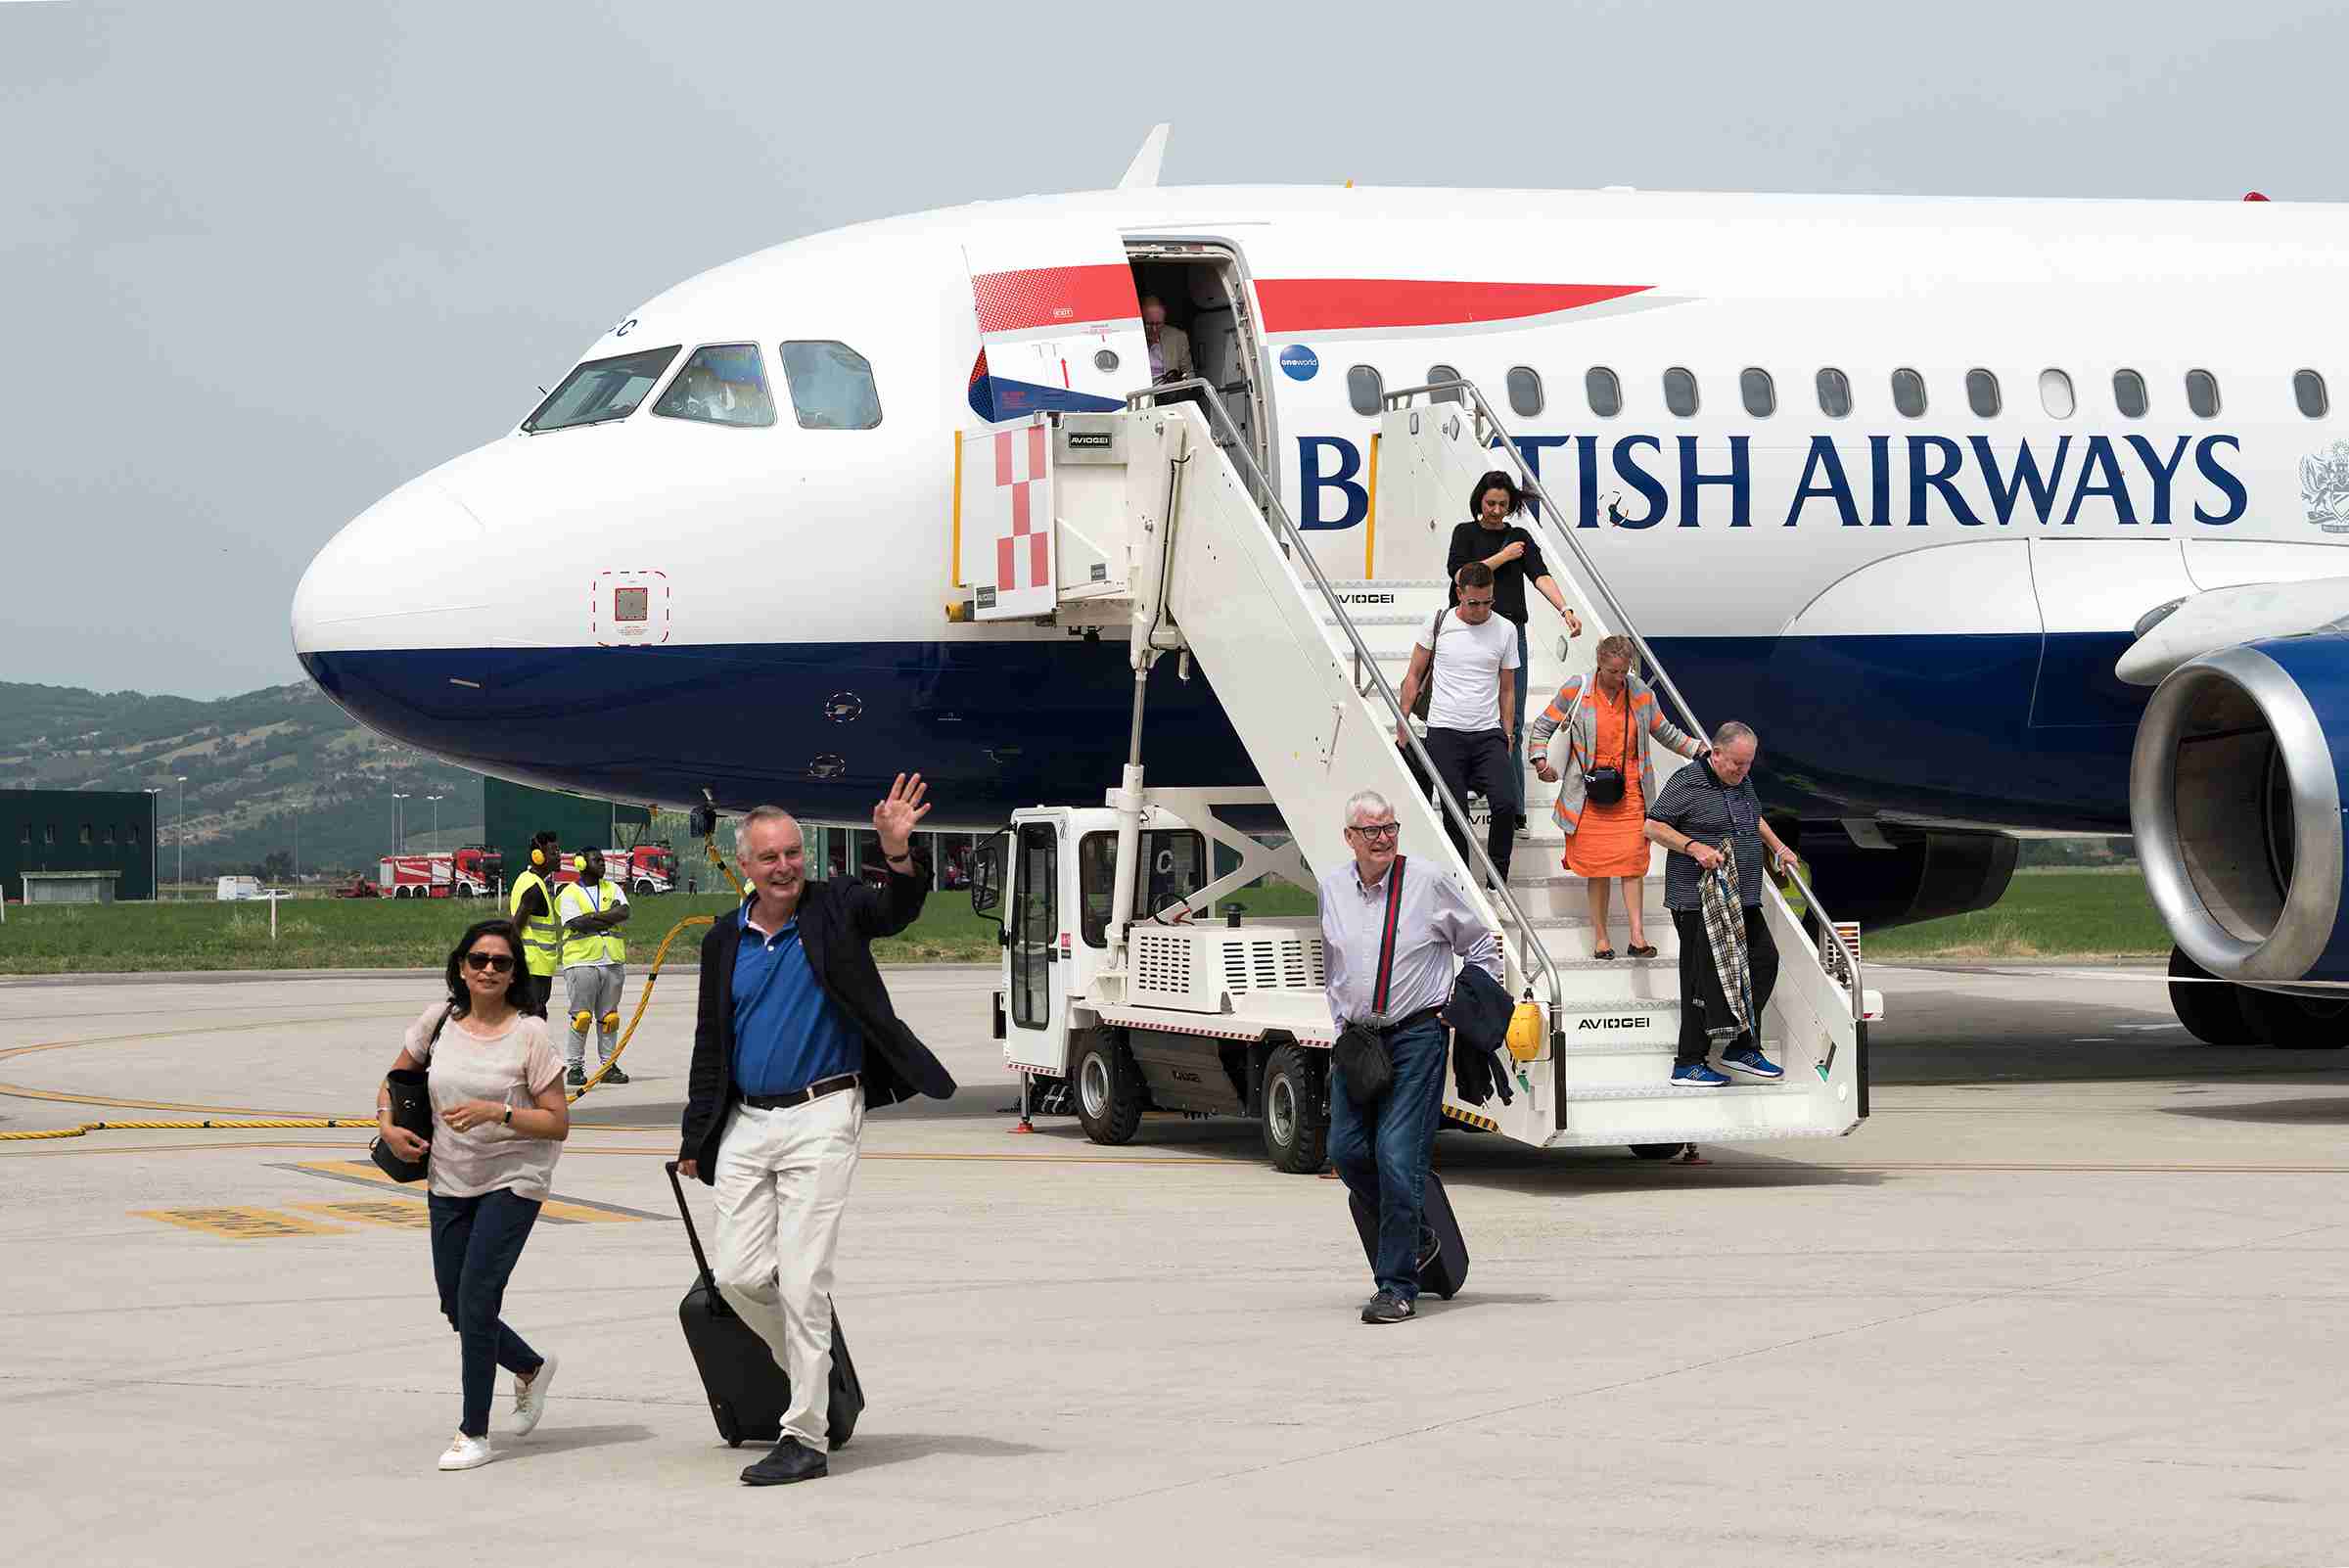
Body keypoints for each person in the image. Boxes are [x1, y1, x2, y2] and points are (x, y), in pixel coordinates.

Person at [676, 774, 958, 1487]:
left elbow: (896, 908)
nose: (784, 867)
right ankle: (817, 1368)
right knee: (739, 1277)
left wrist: (898, 852)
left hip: (823, 1113)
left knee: (804, 1283)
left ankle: (805, 1434)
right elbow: (712, 1044)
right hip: (746, 1119)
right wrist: (694, 1137)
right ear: (745, 865)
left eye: (793, 853)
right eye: (769, 857)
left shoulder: (834, 910)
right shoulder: (723, 941)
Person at [375, 918, 568, 1472]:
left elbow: (557, 1122)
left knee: (478, 1300)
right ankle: (529, 1366)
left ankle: (473, 1432)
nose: (488, 970)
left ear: (514, 974)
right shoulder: (439, 1022)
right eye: (479, 960)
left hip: (514, 1179)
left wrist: (498, 1111)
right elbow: (395, 1079)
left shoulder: (530, 1033)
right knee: (454, 1303)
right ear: (461, 966)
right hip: (448, 1178)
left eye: (501, 963)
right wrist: (387, 1125)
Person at [1320, 790, 1501, 1324]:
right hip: (1358, 1039)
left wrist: (1460, 1007)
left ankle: (1397, 1285)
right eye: (1371, 831)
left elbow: (1482, 945)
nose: (1382, 839)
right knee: (1347, 1151)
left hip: (1415, 1036)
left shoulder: (1425, 881)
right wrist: (1339, 1026)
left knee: (1399, 1158)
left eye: (1389, 829)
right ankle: (1420, 1236)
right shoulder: (1332, 887)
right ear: (1349, 837)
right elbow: (1333, 963)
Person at [1531, 635, 1707, 959]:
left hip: (1631, 794)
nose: (1619, 678)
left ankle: (1638, 936)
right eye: (1612, 672)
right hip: (1588, 795)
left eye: (1624, 671)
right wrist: (1540, 760)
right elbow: (1542, 727)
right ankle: (1601, 938)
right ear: (1599, 665)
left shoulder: (1640, 693)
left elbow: (1664, 732)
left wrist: (1697, 748)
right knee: (1598, 869)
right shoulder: (1578, 689)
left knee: (1633, 864)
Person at [1642, 722, 1797, 1087]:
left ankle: (1742, 1045)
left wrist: (1778, 847)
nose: (1742, 772)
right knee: (1700, 980)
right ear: (1716, 754)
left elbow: (1752, 817)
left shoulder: (1740, 781)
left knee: (1764, 961)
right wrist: (1693, 847)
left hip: (1741, 896)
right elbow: (1652, 826)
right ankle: (1689, 1061)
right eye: (1736, 765)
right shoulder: (1687, 782)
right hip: (1697, 900)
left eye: (1748, 765)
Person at [1447, 471, 1585, 832]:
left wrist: (1564, 608)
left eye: (1503, 505)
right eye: (1491, 503)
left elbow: (1540, 574)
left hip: (1508, 631)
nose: (1496, 511)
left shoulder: (1519, 537)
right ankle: (1475, 785)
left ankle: (1514, 807)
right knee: (1468, 715)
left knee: (1513, 721)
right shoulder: (1465, 533)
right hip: (1468, 630)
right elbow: (1461, 575)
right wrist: (1503, 556)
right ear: (1480, 500)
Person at [1394, 561, 1519, 882]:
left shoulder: (1506, 629)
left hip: (1488, 731)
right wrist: (1402, 723)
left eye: (1487, 602)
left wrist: (1508, 731)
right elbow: (1413, 675)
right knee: (1455, 813)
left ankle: (1496, 885)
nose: (1480, 610)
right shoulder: (1439, 622)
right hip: (1445, 731)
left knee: (1506, 805)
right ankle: (1462, 884)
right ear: (1459, 594)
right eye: (1473, 602)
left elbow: (1507, 688)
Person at [555, 848, 632, 1087]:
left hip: (612, 960)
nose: (602, 864)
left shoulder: (613, 888)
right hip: (582, 962)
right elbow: (576, 923)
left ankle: (608, 1066)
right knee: (582, 1017)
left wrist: (593, 917)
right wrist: (608, 916)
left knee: (609, 1018)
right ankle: (575, 1067)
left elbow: (624, 911)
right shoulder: (569, 893)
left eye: (602, 859)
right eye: (596, 860)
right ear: (581, 863)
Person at [506, 831, 561, 1014]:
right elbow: (515, 928)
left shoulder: (527, 879)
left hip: (536, 966)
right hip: (533, 966)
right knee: (533, 1017)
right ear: (538, 856)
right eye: (554, 852)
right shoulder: (534, 889)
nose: (559, 856)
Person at [1140, 294, 1193, 384]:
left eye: (1158, 324)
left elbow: (1188, 372)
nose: (1154, 329)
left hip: (1169, 393)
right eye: (1149, 324)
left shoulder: (1178, 337)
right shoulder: (1130, 337)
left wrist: (1186, 387)